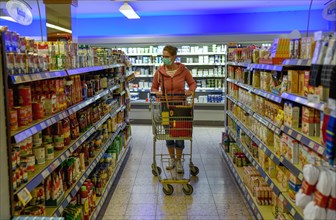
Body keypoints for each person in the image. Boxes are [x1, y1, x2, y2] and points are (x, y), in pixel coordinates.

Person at [151, 45, 197, 173]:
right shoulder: (159, 72)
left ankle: (178, 160)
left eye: (167, 57)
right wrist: (157, 93)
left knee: (180, 134)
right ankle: (172, 159)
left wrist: (190, 91)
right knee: (168, 134)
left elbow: (192, 83)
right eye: (163, 56)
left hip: (180, 107)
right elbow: (153, 88)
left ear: (174, 56)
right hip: (165, 107)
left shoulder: (183, 71)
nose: (164, 59)